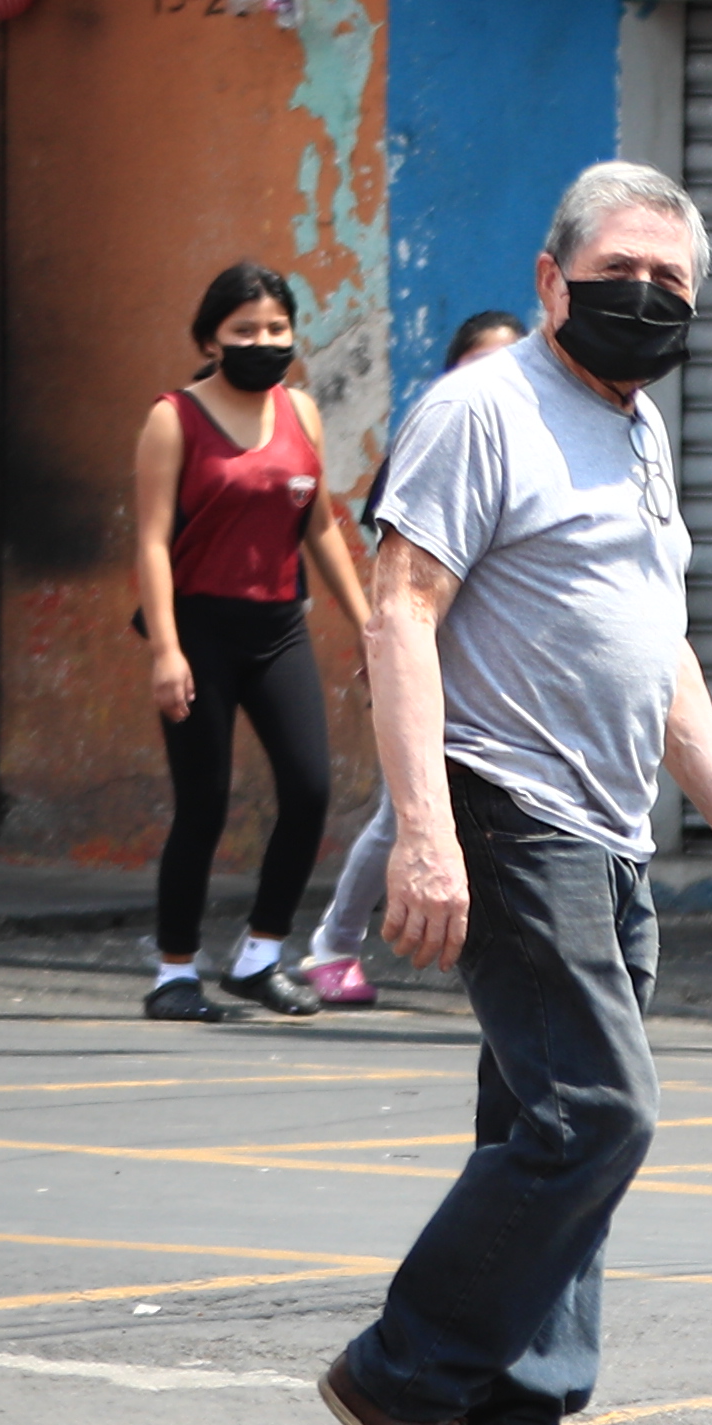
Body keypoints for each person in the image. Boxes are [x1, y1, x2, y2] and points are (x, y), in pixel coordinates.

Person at [318, 162, 712, 1425]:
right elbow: (399, 613)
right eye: (619, 278)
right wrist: (425, 835)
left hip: (607, 829)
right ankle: (401, 1374)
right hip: (507, 808)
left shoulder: (637, 430)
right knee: (602, 1113)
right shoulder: (484, 411)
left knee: (539, 1126)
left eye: (672, 287)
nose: (646, 303)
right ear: (551, 281)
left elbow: (654, 649)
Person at [121, 263, 366, 1020]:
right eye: (244, 332)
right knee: (204, 805)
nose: (263, 343)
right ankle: (173, 973)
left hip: (277, 627)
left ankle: (260, 956)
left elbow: (317, 522)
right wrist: (166, 650)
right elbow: (153, 542)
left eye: (276, 330)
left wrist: (368, 627)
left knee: (309, 791)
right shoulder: (174, 418)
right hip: (198, 629)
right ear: (210, 339)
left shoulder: (301, 411)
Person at [302, 310, 533, 1009]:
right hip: (433, 662)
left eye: (511, 364)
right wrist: (388, 655)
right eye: (478, 365)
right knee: (400, 813)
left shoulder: (541, 445)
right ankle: (334, 945)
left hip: (507, 674)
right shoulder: (433, 440)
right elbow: (396, 577)